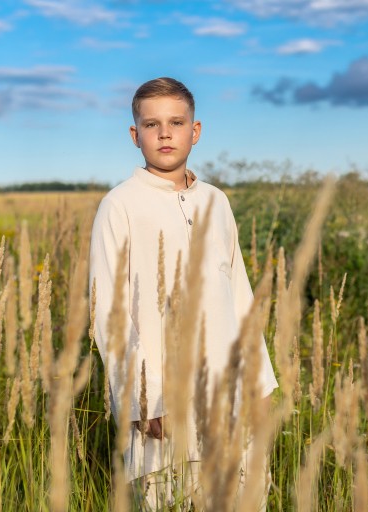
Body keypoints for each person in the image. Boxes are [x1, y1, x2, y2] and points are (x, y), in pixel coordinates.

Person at [89, 77, 278, 509]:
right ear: (135, 136)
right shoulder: (120, 204)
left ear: (195, 131)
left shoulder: (217, 201)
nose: (165, 133)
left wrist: (261, 381)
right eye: (152, 125)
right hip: (163, 408)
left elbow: (240, 295)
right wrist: (146, 398)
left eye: (176, 122)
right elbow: (109, 313)